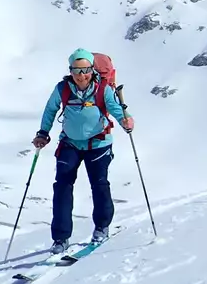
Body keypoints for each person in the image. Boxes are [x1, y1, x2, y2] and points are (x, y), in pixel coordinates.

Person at [32, 49, 134, 254]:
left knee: (99, 184)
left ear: (92, 69)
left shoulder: (103, 89)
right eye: (76, 70)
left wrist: (126, 120)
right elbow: (50, 109)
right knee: (62, 187)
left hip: (98, 144)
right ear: (70, 71)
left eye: (85, 69)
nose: (81, 75)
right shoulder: (62, 88)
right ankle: (60, 238)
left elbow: (115, 108)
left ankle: (101, 227)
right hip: (70, 144)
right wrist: (43, 132)